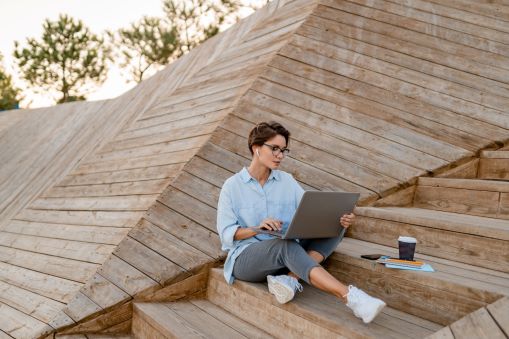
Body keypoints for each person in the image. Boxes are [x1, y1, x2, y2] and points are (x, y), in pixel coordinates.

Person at [216, 121, 386, 324]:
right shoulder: (232, 186)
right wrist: (256, 228)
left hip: (285, 250)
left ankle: (290, 278)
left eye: (284, 150)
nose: (280, 155)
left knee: (336, 225)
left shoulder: (286, 180)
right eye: (275, 149)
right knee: (283, 246)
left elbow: (310, 212)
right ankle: (352, 298)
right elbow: (227, 234)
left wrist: (339, 218)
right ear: (256, 148)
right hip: (246, 259)